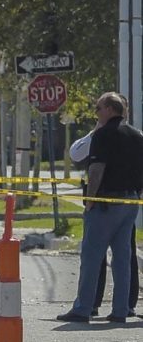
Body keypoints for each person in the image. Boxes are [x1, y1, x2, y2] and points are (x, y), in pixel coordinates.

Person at [58, 92, 143, 323]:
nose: (96, 113)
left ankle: (83, 308)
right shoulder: (137, 136)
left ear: (108, 109)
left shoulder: (103, 134)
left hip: (106, 203)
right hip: (130, 202)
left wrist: (91, 200)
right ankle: (120, 310)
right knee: (123, 258)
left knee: (92, 256)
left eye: (98, 108)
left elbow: (96, 170)